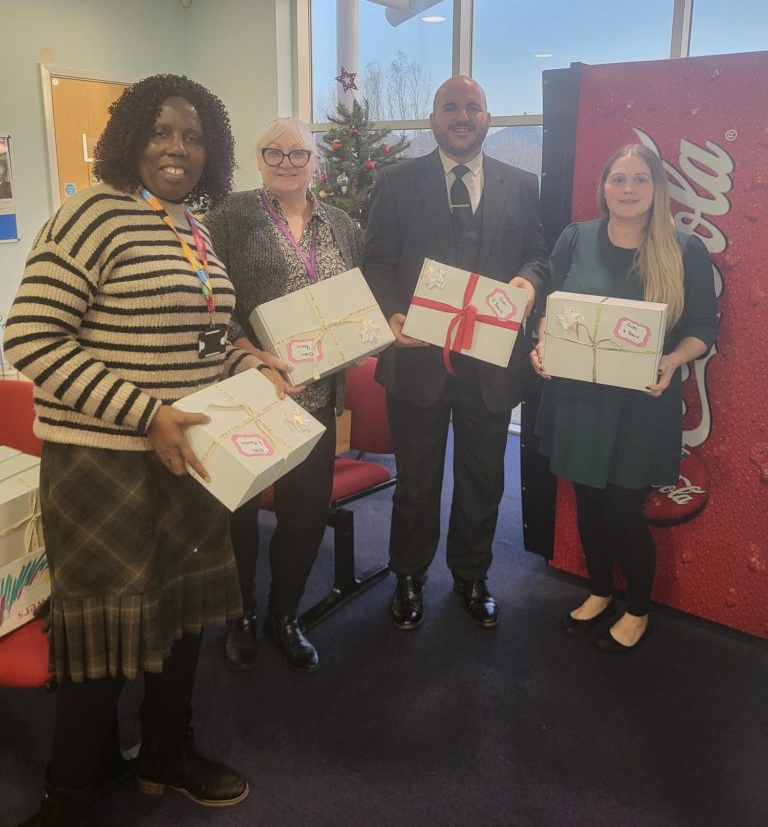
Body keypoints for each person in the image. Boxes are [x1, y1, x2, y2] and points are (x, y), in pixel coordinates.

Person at [4, 74, 274, 825]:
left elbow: (206, 341)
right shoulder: (91, 216)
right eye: (160, 133)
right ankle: (71, 791)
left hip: (187, 459)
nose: (177, 149)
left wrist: (251, 364)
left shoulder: (192, 227)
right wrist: (141, 412)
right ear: (129, 140)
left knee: (182, 620)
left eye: (192, 136)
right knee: (104, 634)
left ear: (212, 151)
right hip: (103, 467)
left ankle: (164, 754)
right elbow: (29, 338)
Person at [363, 76, 548, 630]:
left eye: (472, 107)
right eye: (450, 107)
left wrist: (527, 283)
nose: (461, 116)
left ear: (488, 116)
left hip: (490, 365)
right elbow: (376, 261)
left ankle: (472, 574)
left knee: (482, 479)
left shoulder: (521, 183)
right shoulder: (397, 182)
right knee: (416, 481)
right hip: (418, 360)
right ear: (433, 119)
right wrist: (392, 314)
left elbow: (538, 255)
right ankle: (409, 576)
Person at [531, 143, 718, 652]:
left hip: (640, 405)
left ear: (657, 189)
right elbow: (551, 304)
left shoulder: (684, 249)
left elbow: (704, 327)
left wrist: (673, 360)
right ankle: (598, 592)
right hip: (578, 400)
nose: (628, 189)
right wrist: (543, 343)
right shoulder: (576, 238)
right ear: (604, 187)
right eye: (618, 179)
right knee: (589, 508)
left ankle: (637, 608)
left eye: (640, 180)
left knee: (622, 516)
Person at [205, 117, 358, 673]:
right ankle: (240, 614)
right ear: (258, 157)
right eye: (275, 152)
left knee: (304, 515)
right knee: (238, 516)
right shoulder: (228, 217)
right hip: (245, 391)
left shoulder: (339, 223)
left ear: (315, 160)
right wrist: (245, 348)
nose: (288, 162)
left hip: (315, 399)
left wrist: (358, 338)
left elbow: (348, 300)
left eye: (299, 153)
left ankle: (284, 614)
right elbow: (208, 299)